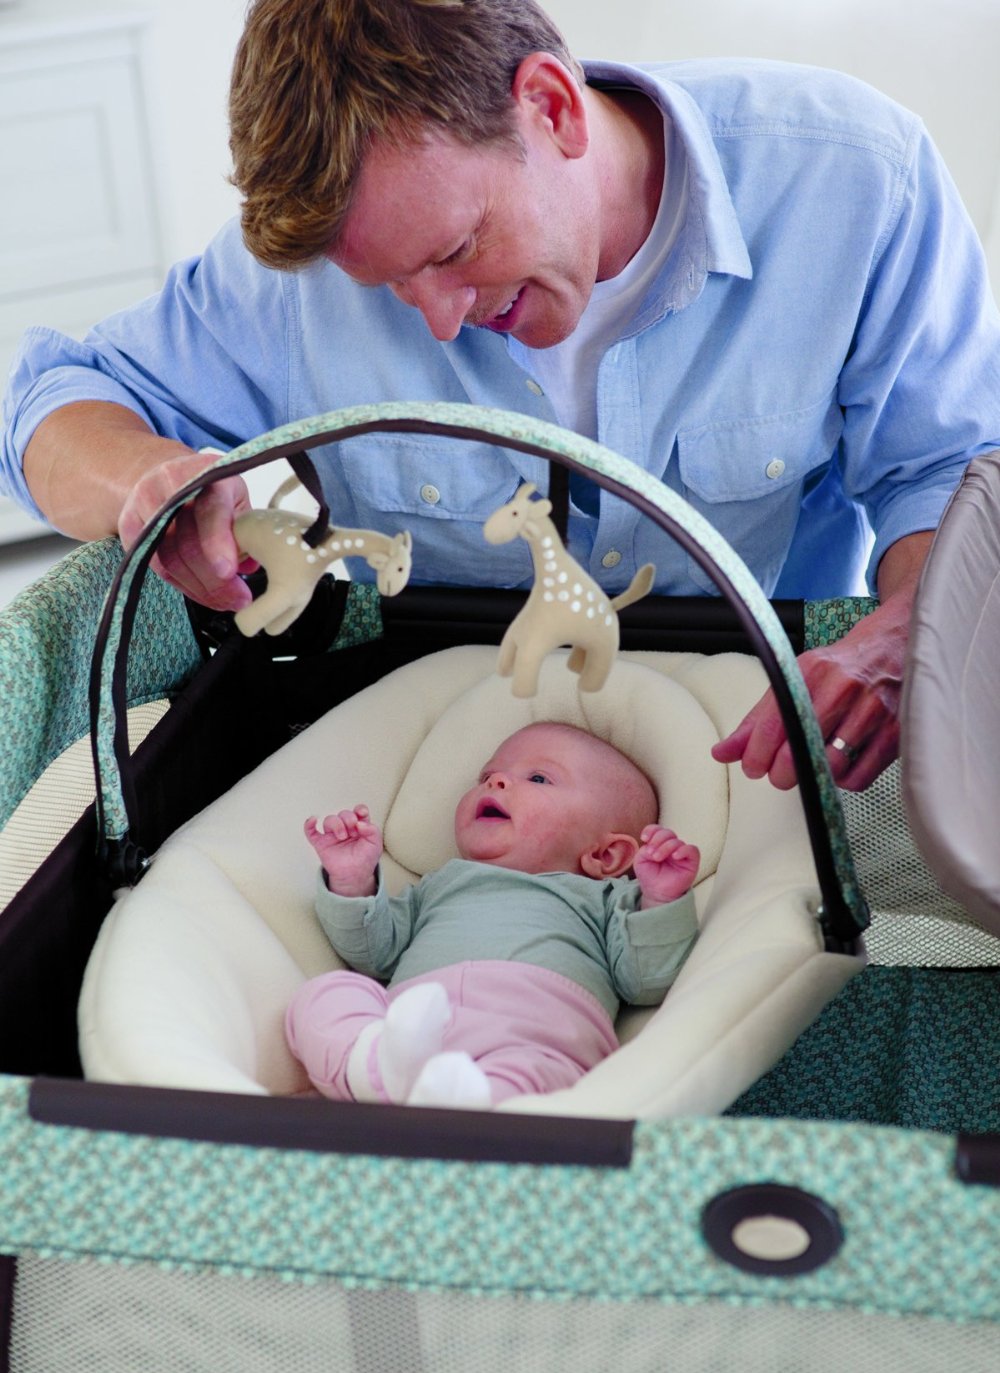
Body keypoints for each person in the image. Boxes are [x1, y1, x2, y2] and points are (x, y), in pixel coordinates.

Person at [3, 0, 1000, 795]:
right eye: (390, 288)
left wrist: (902, 635)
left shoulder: (858, 182)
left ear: (552, 108)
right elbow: (48, 402)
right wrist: (145, 477)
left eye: (453, 251)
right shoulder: (293, 285)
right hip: (454, 770)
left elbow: (951, 477)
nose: (438, 321)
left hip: (761, 757)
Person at [285, 720, 699, 1108]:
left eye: (539, 778)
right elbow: (373, 954)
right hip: (413, 1026)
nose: (496, 781)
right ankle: (376, 1070)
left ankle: (476, 1102)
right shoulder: (438, 885)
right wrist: (353, 879)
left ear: (605, 855)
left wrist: (660, 900)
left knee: (541, 1072)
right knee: (322, 995)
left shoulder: (607, 899)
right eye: (487, 775)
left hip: (535, 1032)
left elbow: (645, 982)